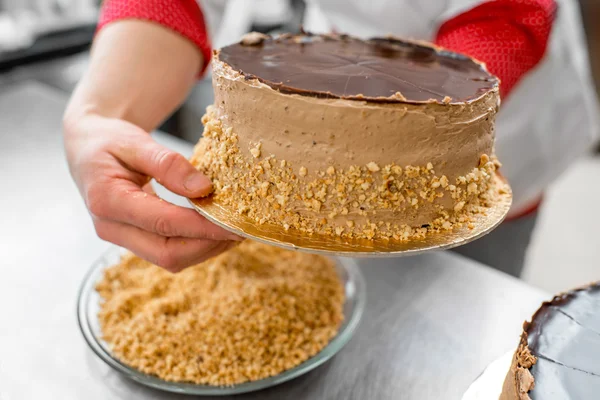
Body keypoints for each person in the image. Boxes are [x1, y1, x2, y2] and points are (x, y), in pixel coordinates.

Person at [64, 0, 599, 275]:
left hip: (501, 133)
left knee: (464, 298)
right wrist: (103, 112)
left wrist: (409, 119)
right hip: (333, 80)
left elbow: (507, 14)